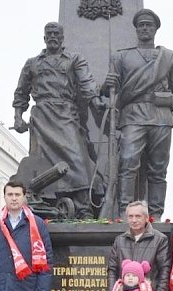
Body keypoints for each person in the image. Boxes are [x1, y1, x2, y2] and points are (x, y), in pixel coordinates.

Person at [102, 9, 173, 220]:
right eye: (141, 25)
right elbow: (107, 90)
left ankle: (156, 214)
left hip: (161, 117)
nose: (145, 28)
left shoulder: (167, 57)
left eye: (149, 25)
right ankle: (124, 211)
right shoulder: (121, 56)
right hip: (133, 116)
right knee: (128, 163)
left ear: (155, 29)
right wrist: (107, 85)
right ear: (136, 29)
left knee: (158, 169)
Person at [13, 22, 104, 219]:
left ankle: (83, 207)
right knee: (42, 162)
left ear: (62, 38)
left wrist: (96, 100)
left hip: (66, 112)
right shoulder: (32, 63)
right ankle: (45, 204)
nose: (53, 36)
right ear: (44, 37)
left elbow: (87, 81)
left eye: (56, 33)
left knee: (77, 158)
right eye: (49, 34)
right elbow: (21, 91)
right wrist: (18, 116)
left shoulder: (74, 59)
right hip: (42, 116)